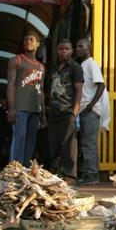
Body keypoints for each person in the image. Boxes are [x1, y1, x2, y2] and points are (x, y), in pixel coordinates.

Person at [6, 31, 46, 167]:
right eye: (25, 40)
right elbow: (11, 84)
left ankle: (25, 170)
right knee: (19, 138)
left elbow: (41, 91)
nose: (28, 41)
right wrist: (11, 108)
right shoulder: (16, 60)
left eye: (31, 39)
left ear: (38, 44)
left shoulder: (41, 67)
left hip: (35, 108)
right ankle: (14, 169)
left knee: (31, 141)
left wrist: (43, 114)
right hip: (20, 107)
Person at [47, 39, 83, 183]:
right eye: (61, 49)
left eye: (66, 49)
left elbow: (79, 90)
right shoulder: (53, 68)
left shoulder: (75, 67)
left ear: (72, 51)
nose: (63, 51)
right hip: (53, 112)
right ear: (57, 50)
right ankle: (55, 175)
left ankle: (70, 176)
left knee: (69, 146)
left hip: (68, 112)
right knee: (53, 145)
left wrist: (74, 112)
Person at [75, 37, 106, 185]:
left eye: (81, 46)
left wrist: (91, 105)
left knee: (89, 144)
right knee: (85, 143)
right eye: (77, 47)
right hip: (83, 110)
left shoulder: (91, 64)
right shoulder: (83, 64)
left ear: (89, 48)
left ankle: (92, 175)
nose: (78, 49)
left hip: (90, 110)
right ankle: (88, 173)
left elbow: (100, 85)